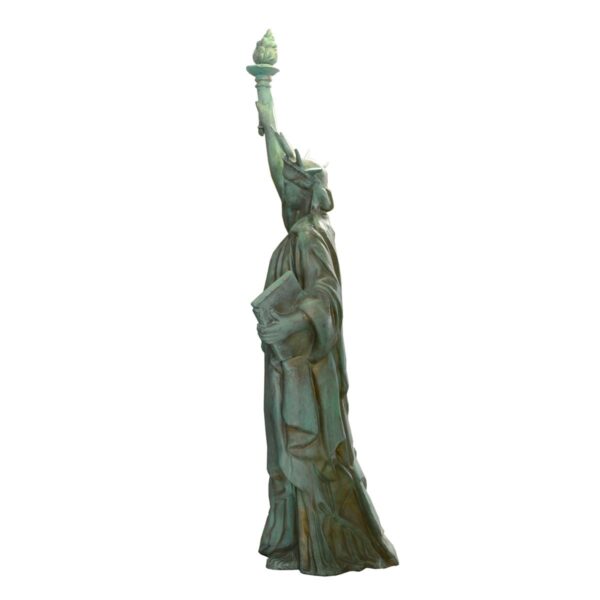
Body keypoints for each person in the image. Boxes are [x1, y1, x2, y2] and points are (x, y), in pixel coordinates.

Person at [253, 86, 399, 576]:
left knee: (306, 446)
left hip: (307, 364)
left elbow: (326, 297)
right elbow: (278, 169)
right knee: (285, 445)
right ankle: (294, 541)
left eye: (290, 185)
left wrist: (291, 323)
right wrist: (266, 103)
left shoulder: (310, 235)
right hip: (288, 359)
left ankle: (334, 544)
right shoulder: (305, 228)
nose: (282, 188)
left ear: (303, 193)